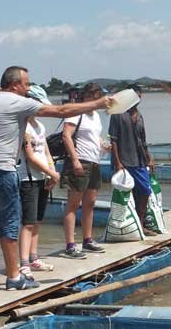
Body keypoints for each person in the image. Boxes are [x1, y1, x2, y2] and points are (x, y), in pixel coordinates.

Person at [0, 66, 112, 292]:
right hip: (2, 171)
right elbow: (62, 111)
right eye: (26, 84)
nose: (28, 88)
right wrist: (98, 104)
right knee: (10, 226)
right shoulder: (17, 102)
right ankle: (15, 278)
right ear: (15, 84)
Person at [60, 83, 107, 259]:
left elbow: (93, 136)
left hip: (95, 161)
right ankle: (70, 245)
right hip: (80, 161)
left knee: (90, 202)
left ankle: (87, 239)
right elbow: (66, 135)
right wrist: (75, 160)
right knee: (73, 203)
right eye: (94, 97)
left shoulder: (95, 115)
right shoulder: (76, 111)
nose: (96, 101)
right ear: (86, 96)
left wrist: (102, 144)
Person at [18, 86, 59, 280]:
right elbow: (30, 157)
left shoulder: (39, 126)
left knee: (38, 220)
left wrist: (52, 172)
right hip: (28, 179)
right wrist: (50, 172)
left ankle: (34, 257)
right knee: (28, 222)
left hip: (43, 177)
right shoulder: (23, 127)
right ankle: (24, 263)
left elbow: (46, 151)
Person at [108, 84, 157, 237]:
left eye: (140, 94)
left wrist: (149, 158)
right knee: (124, 197)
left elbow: (143, 140)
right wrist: (118, 162)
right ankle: (124, 228)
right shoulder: (117, 114)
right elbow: (113, 140)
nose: (139, 97)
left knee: (144, 192)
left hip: (140, 160)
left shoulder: (139, 115)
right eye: (136, 94)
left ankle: (140, 225)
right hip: (124, 161)